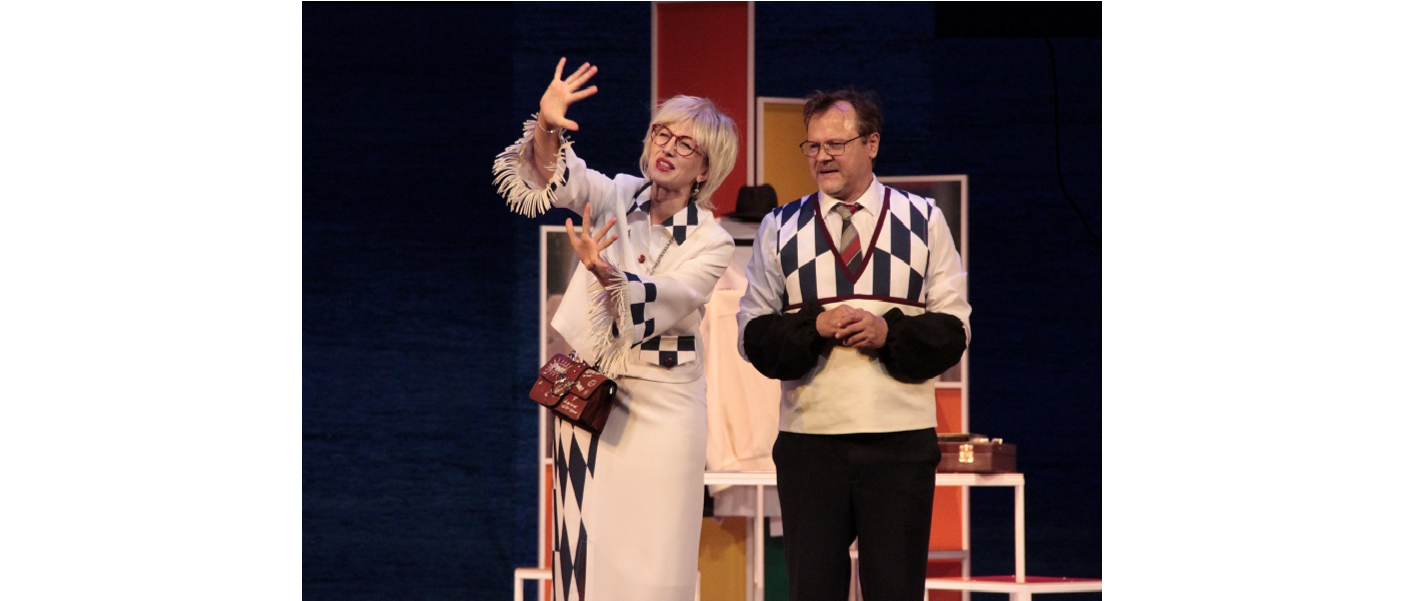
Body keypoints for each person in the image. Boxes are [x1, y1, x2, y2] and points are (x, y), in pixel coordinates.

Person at [492, 57, 738, 601]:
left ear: (705, 169)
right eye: (662, 134)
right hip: (591, 402)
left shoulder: (712, 241)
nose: (667, 147)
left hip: (667, 412)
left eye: (686, 144)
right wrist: (548, 125)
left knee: (657, 560)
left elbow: (671, 296)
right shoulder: (618, 195)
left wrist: (604, 271)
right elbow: (556, 179)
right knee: (586, 551)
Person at [736, 88, 971, 601]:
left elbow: (955, 329)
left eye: (836, 144)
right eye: (813, 146)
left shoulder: (922, 218)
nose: (822, 156)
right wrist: (814, 326)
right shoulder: (780, 225)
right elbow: (752, 334)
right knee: (812, 589)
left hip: (899, 442)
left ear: (872, 144)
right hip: (810, 445)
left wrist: (889, 333)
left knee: (896, 589)